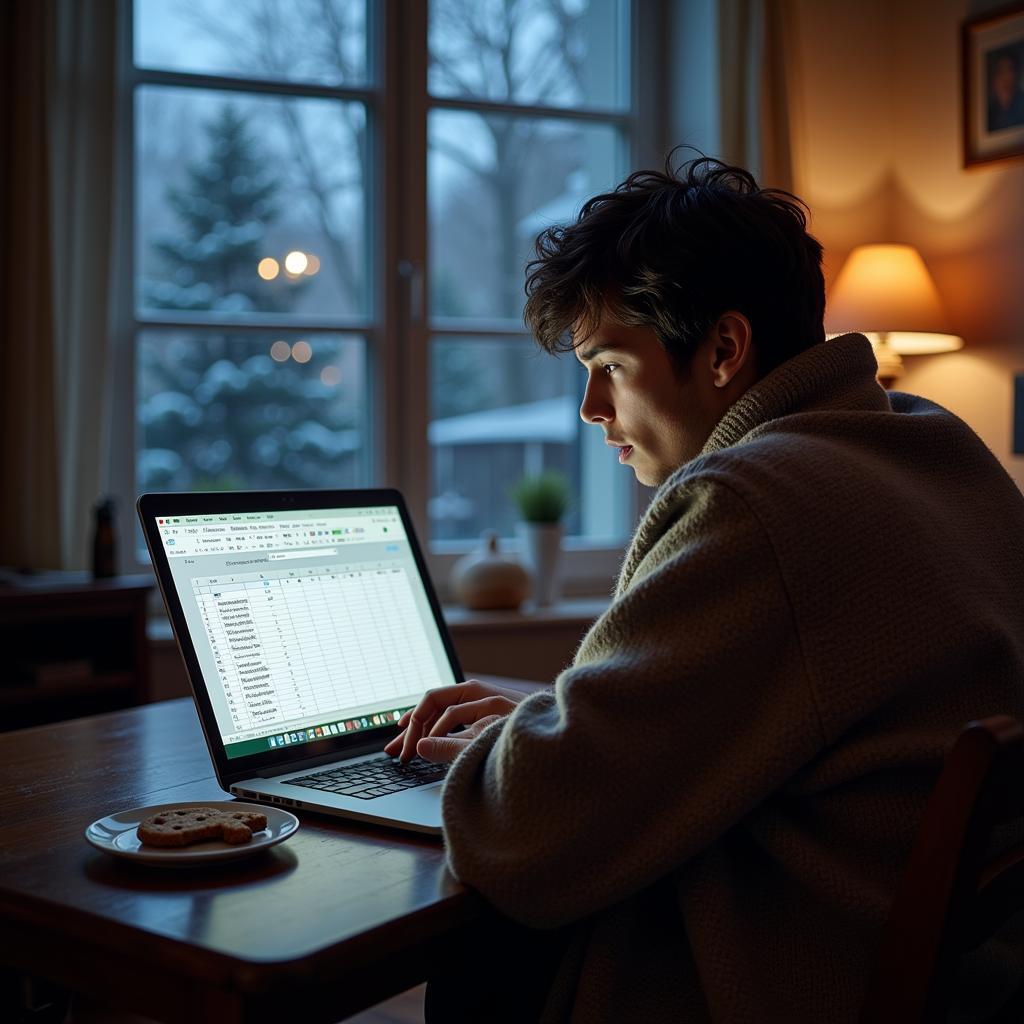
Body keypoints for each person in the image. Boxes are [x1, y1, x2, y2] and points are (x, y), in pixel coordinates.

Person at [385, 155, 1024, 1022]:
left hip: (789, 979)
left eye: (609, 363)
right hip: (960, 973)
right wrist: (536, 729)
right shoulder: (931, 444)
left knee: (486, 952)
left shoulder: (758, 500)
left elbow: (524, 830)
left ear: (723, 348)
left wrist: (507, 760)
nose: (590, 410)